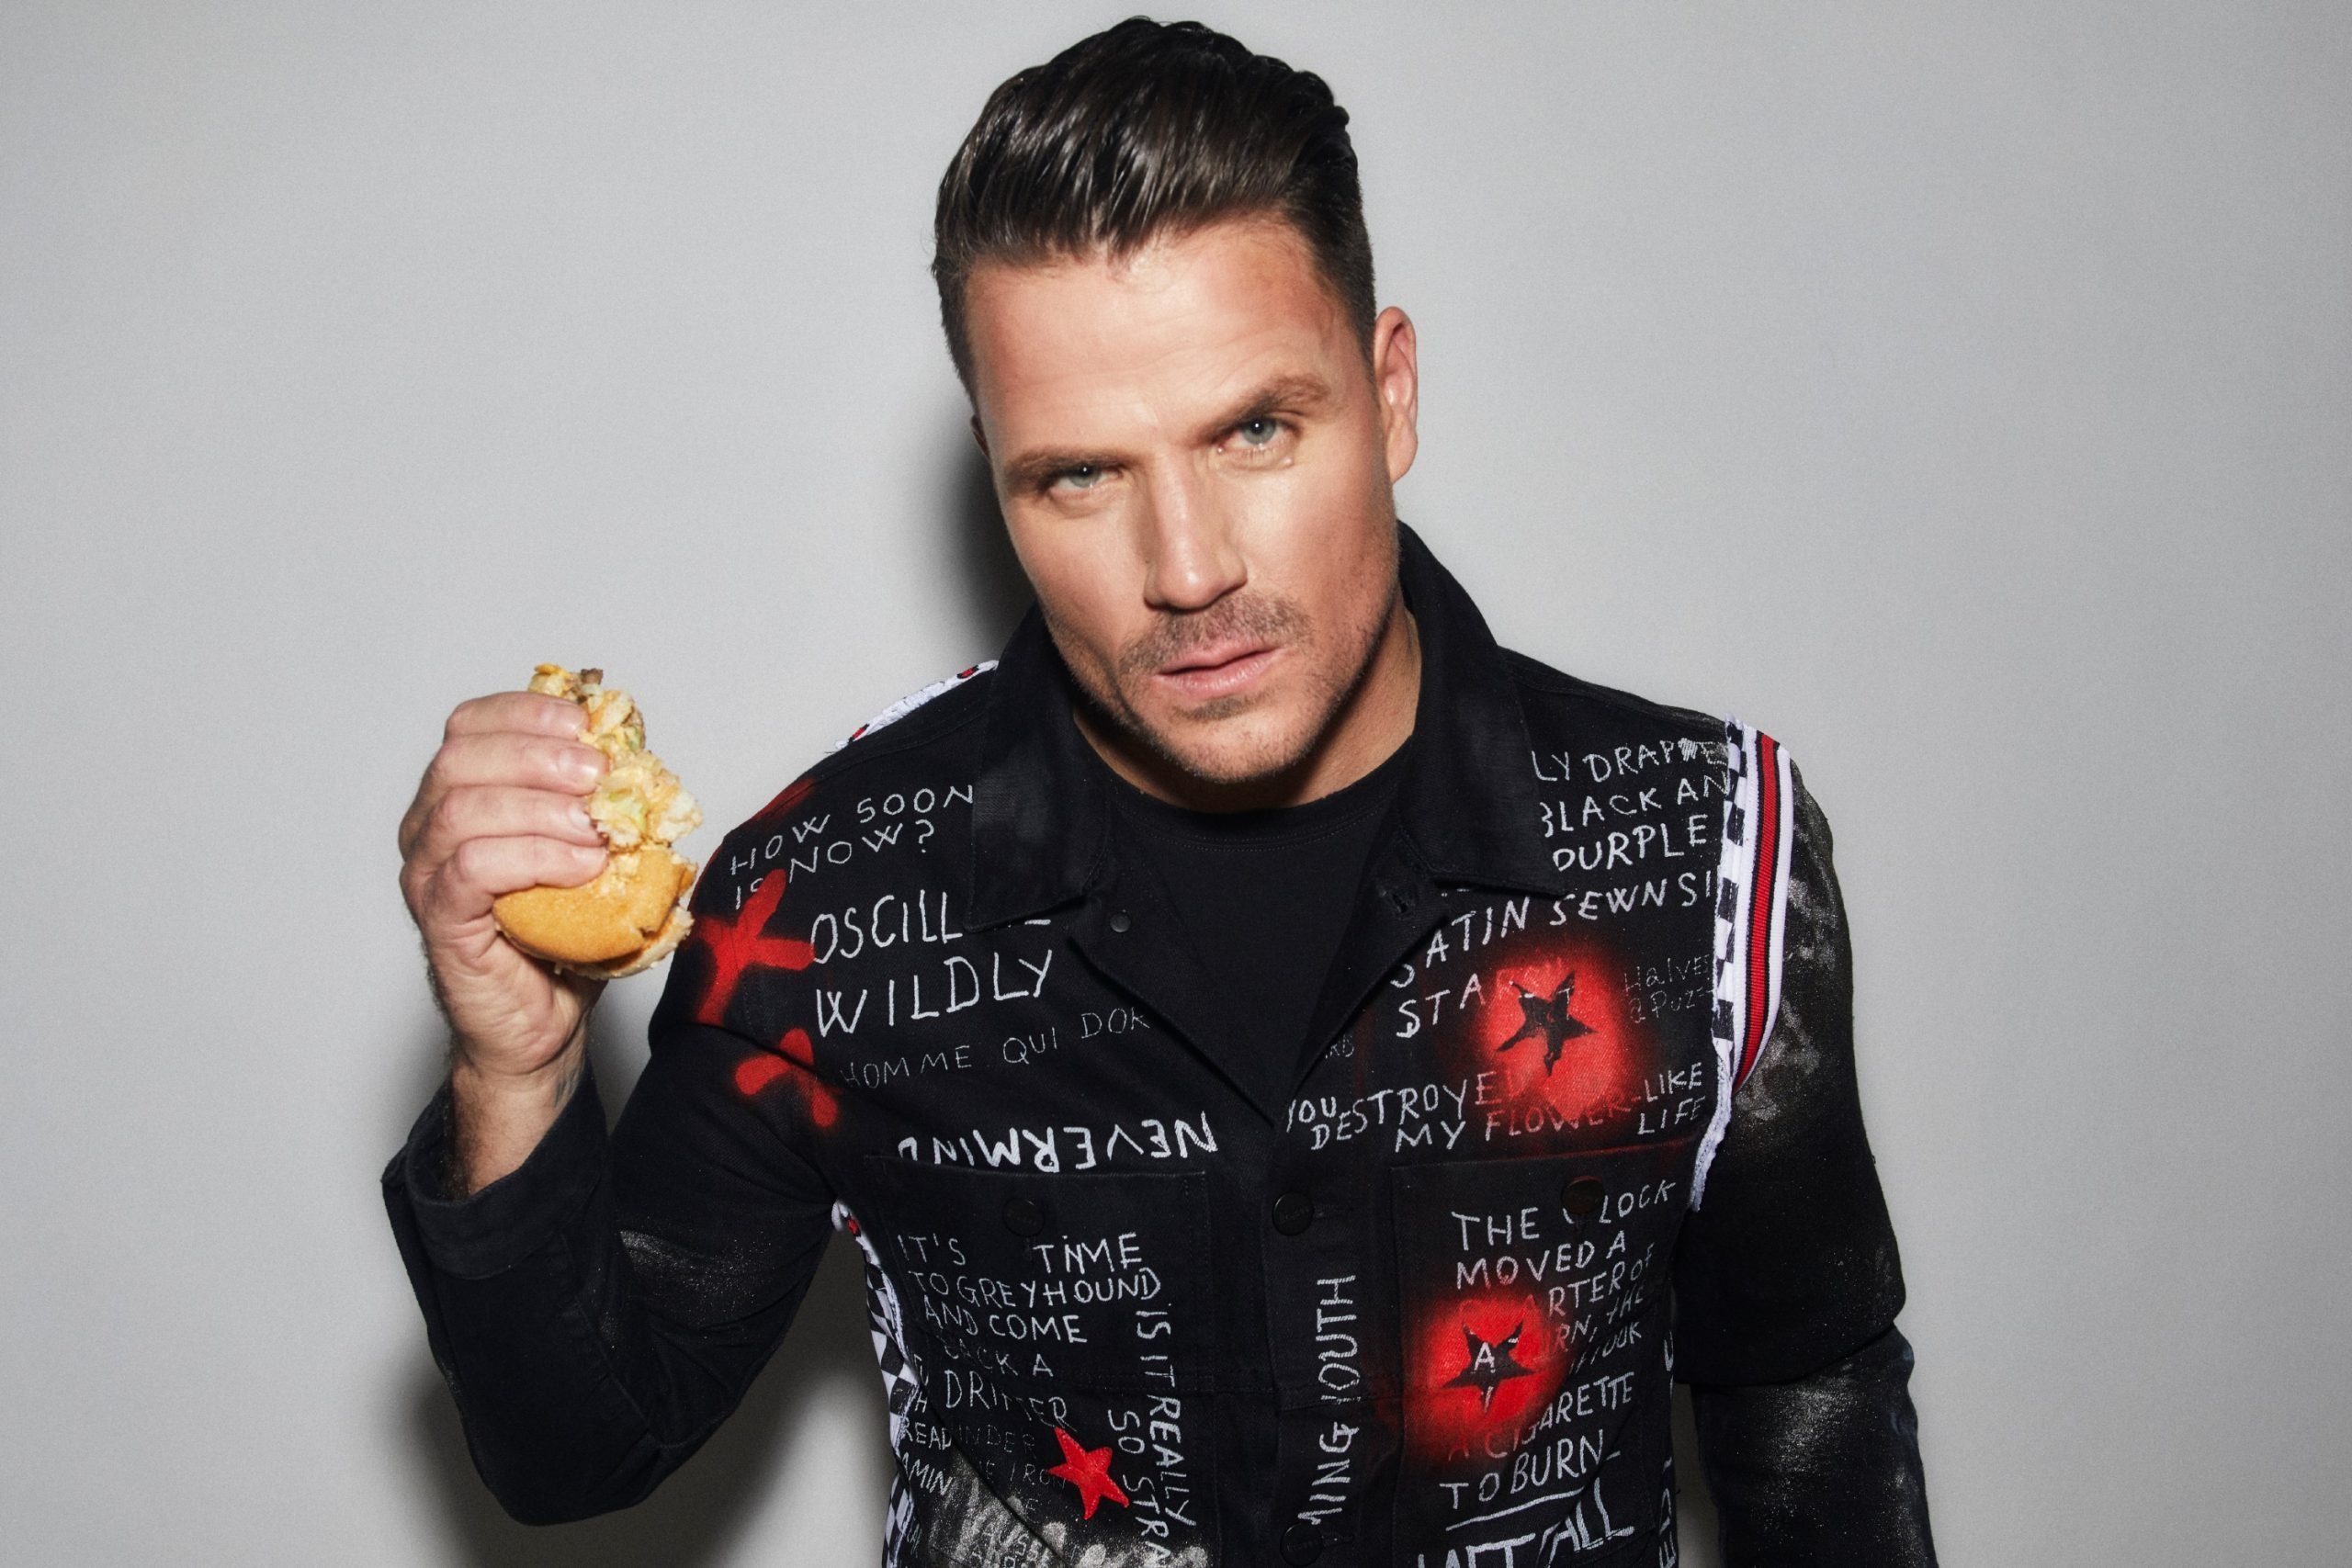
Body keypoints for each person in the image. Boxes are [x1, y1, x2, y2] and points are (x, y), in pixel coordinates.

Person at [385, 19, 1936, 1566]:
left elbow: (1805, 1383)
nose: (1188, 570)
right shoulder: (827, 894)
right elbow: (579, 1449)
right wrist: (515, 1069)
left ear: (1390, 394)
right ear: (996, 471)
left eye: (1255, 430)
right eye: (1081, 475)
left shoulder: (1706, 840)